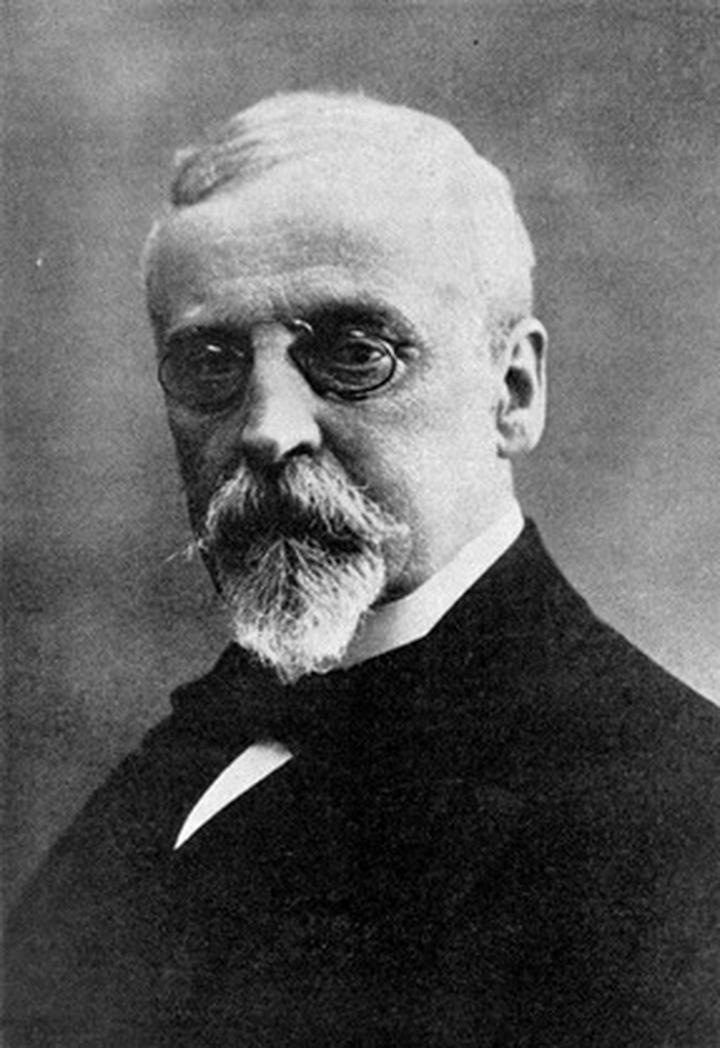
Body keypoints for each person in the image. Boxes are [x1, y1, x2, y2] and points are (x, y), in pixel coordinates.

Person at [6, 91, 720, 1047]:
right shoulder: (191, 755)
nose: (267, 430)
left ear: (513, 392)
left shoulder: (679, 820)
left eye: (354, 353)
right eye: (211, 364)